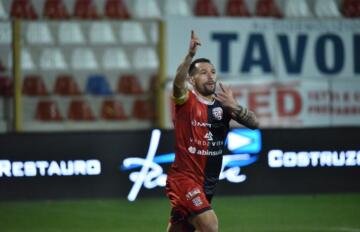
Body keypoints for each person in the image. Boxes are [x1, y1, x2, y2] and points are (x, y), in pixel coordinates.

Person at [165, 30, 259, 232]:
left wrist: (235, 106)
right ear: (192, 80)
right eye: (203, 72)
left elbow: (254, 123)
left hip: (207, 181)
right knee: (210, 225)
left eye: (213, 72)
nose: (210, 76)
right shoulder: (185, 100)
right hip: (184, 178)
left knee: (182, 228)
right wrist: (190, 56)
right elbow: (176, 83)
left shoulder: (223, 105)